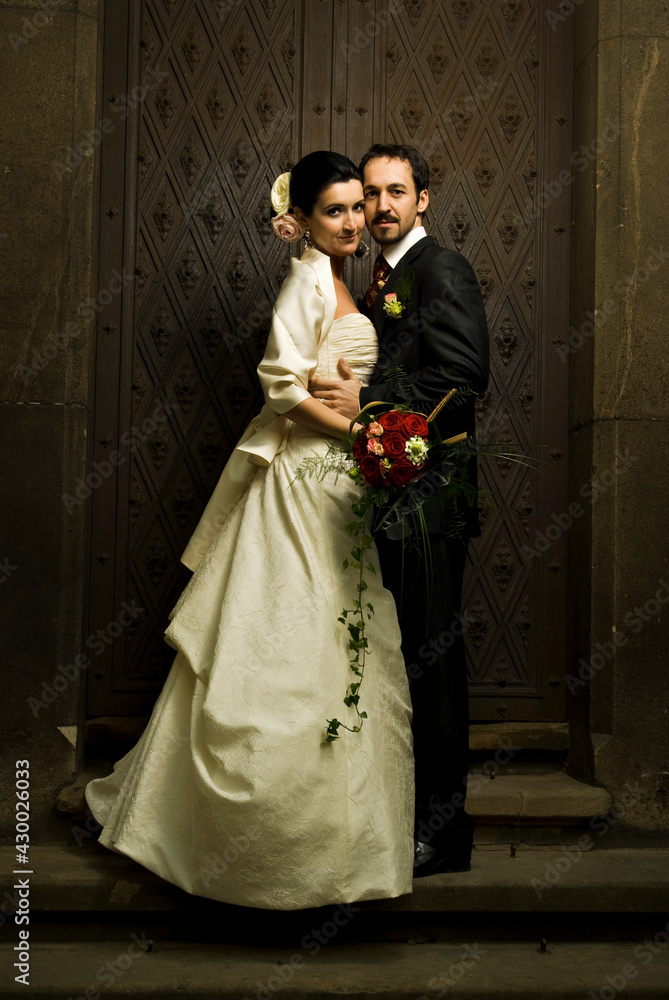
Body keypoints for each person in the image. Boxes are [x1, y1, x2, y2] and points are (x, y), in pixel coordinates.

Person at [85, 152, 414, 910]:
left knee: (340, 638)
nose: (352, 221)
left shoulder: (335, 277)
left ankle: (336, 846)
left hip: (335, 488)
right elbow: (280, 388)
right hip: (304, 480)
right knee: (287, 638)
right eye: (334, 211)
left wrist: (362, 431)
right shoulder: (305, 282)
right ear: (300, 220)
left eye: (355, 207)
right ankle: (253, 853)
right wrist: (358, 434)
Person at [308, 143, 489, 877]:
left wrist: (369, 405)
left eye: (395, 192)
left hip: (430, 500)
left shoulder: (437, 268)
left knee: (430, 661)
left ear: (423, 200)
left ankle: (444, 835)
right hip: (393, 495)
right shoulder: (385, 276)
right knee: (400, 661)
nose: (381, 206)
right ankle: (402, 816)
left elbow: (461, 377)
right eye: (371, 194)